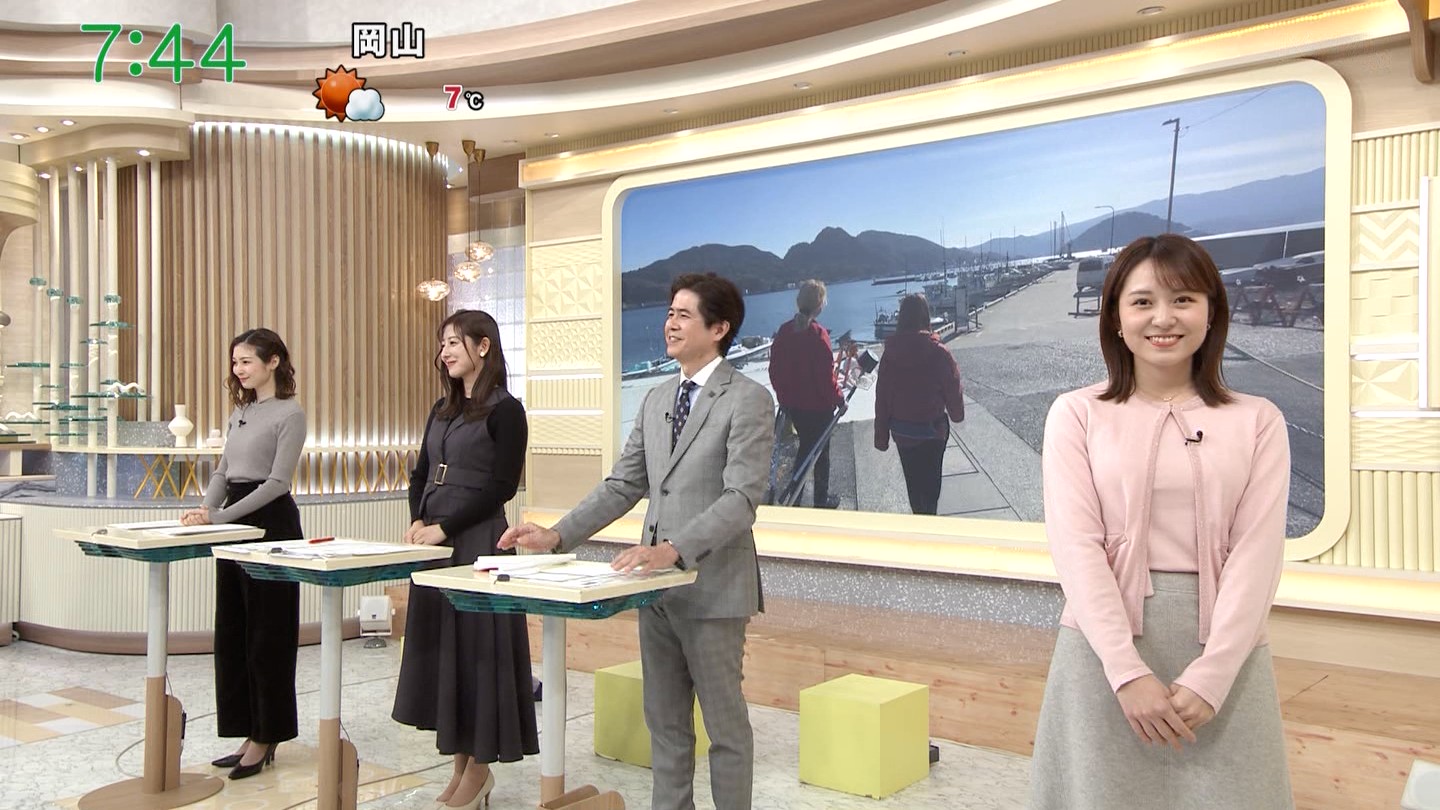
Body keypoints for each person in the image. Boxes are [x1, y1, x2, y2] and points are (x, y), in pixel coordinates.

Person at [1028, 234, 1294, 809]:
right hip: (1104, 647)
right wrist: (1126, 672)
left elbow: (1258, 554)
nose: (1163, 318)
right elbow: (1076, 546)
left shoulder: (1259, 420)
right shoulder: (1076, 414)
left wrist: (1213, 676)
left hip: (1226, 651)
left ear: (1211, 313)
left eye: (1184, 299)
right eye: (1143, 301)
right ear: (1116, 318)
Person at [500, 272, 775, 810]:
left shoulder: (748, 399)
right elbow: (624, 484)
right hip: (654, 592)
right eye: (670, 313)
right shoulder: (656, 399)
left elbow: (741, 499)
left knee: (725, 729)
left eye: (684, 315)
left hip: (713, 589)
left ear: (719, 328)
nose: (670, 323)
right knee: (665, 726)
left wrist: (673, 549)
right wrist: (558, 534)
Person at [392, 309, 537, 810]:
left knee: (479, 654)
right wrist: (418, 518)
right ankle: (460, 767)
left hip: (478, 542)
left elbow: (501, 487)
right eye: (443, 344)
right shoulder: (442, 408)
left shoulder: (506, 410)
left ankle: (478, 768)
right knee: (447, 655)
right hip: (435, 542)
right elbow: (421, 473)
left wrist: (444, 528)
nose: (445, 352)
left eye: (454, 342)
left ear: (483, 346)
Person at [182, 328, 306, 780]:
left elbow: (277, 483)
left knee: (268, 636)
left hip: (271, 524)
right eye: (235, 362)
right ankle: (247, 730)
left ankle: (267, 735)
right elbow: (224, 471)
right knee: (234, 632)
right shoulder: (240, 413)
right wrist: (206, 510)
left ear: (273, 362)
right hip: (234, 522)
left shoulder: (291, 413)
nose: (238, 369)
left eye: (247, 361)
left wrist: (222, 518)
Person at [872, 294, 964, 514]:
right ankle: (929, 518)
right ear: (925, 316)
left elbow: (882, 398)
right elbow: (952, 386)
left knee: (913, 484)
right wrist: (957, 414)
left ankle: (918, 515)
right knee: (932, 485)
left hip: (903, 432)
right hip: (933, 431)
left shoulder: (889, 355)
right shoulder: (939, 352)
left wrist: (881, 437)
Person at [768, 279, 845, 509]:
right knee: (820, 454)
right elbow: (825, 379)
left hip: (794, 407)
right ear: (819, 305)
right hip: (818, 408)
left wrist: (784, 397)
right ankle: (818, 501)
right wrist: (839, 399)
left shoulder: (784, 332)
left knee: (805, 449)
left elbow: (774, 371)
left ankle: (796, 498)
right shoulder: (818, 335)